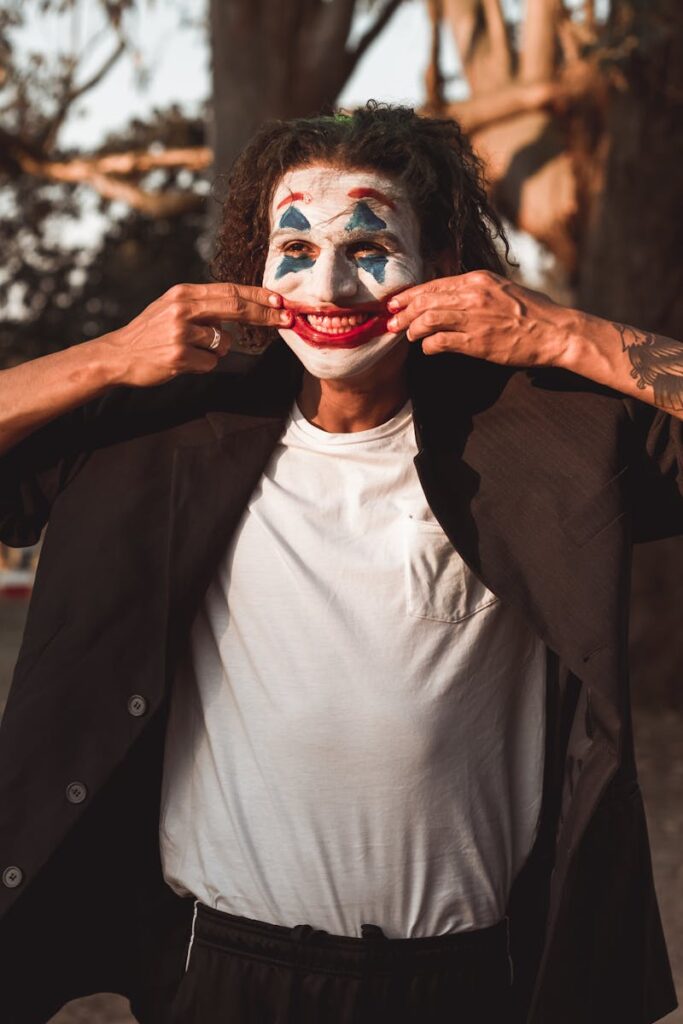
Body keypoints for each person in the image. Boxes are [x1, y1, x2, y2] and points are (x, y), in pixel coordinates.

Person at [0, 104, 681, 1024]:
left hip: (473, 979)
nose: (330, 283)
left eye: (368, 246)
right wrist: (110, 356)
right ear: (255, 268)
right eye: (295, 246)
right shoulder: (160, 431)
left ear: (439, 263)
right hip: (224, 972)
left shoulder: (547, 434)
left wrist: (562, 334)